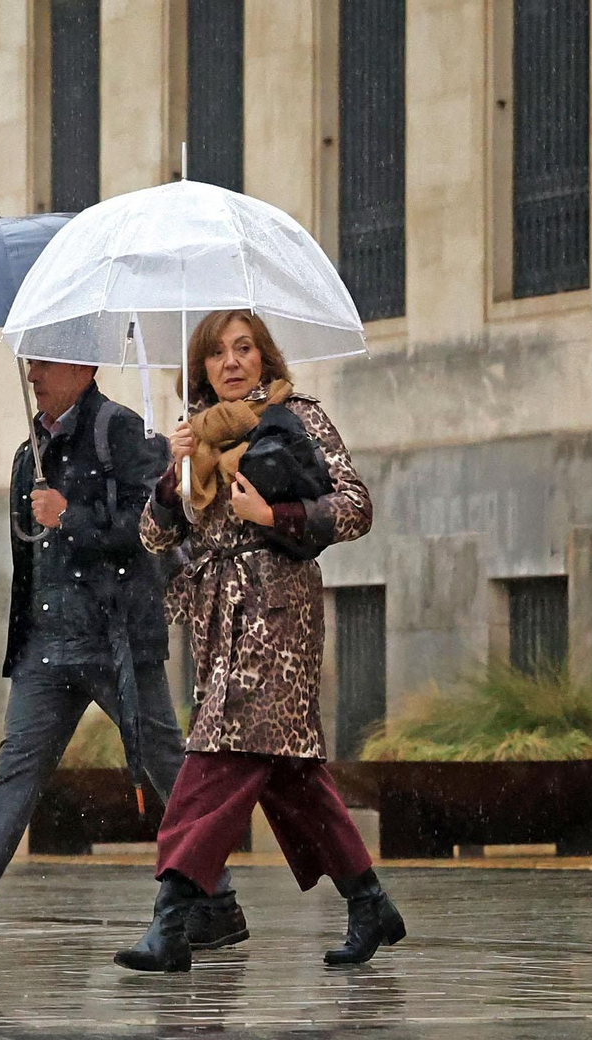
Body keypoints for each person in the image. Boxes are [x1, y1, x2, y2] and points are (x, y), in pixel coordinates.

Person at [0, 358, 247, 961]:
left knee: (164, 763)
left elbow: (152, 528)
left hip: (115, 638)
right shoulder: (30, 453)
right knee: (15, 771)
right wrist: (25, 634)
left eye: (44, 363)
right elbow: (31, 558)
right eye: (28, 362)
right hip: (46, 645)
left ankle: (218, 898)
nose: (31, 375)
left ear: (82, 365)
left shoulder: (120, 430)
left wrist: (68, 516)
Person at [114, 309, 404, 973]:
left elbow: (355, 505)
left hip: (279, 616)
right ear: (202, 367)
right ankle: (369, 902)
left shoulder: (295, 416)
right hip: (219, 621)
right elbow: (155, 537)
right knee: (288, 772)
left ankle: (171, 919)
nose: (232, 362)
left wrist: (274, 514)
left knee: (218, 755)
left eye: (244, 348)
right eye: (217, 353)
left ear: (264, 356)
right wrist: (172, 476)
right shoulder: (193, 436)